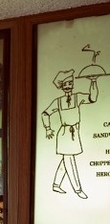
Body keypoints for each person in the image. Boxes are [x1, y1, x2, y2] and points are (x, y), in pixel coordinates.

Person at [40, 68, 98, 200]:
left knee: (65, 160)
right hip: (64, 134)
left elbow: (92, 98)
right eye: (65, 84)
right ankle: (78, 189)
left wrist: (93, 82)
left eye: (70, 83)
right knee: (70, 161)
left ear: (73, 84)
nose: (68, 86)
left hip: (75, 132)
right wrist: (48, 128)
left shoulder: (78, 97)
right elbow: (45, 113)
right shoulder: (58, 101)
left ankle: (55, 184)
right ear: (61, 86)